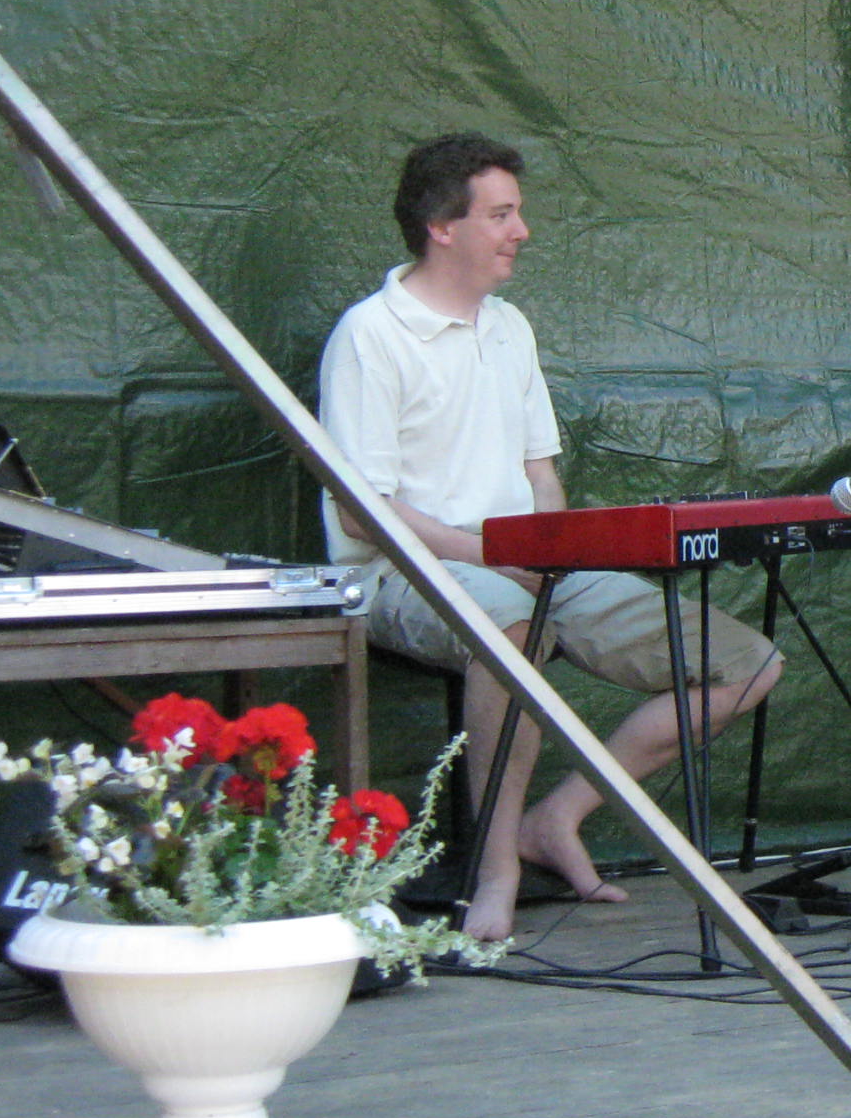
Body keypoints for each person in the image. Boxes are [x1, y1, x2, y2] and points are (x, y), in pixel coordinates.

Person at [319, 135, 783, 944]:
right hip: (403, 572)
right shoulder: (370, 334)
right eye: (501, 214)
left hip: (526, 564)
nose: (522, 231)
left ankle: (557, 818)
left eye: (518, 213)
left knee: (749, 666)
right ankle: (496, 870)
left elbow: (542, 476)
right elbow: (364, 514)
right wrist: (500, 560)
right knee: (512, 633)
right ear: (442, 227)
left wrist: (555, 553)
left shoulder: (510, 327)